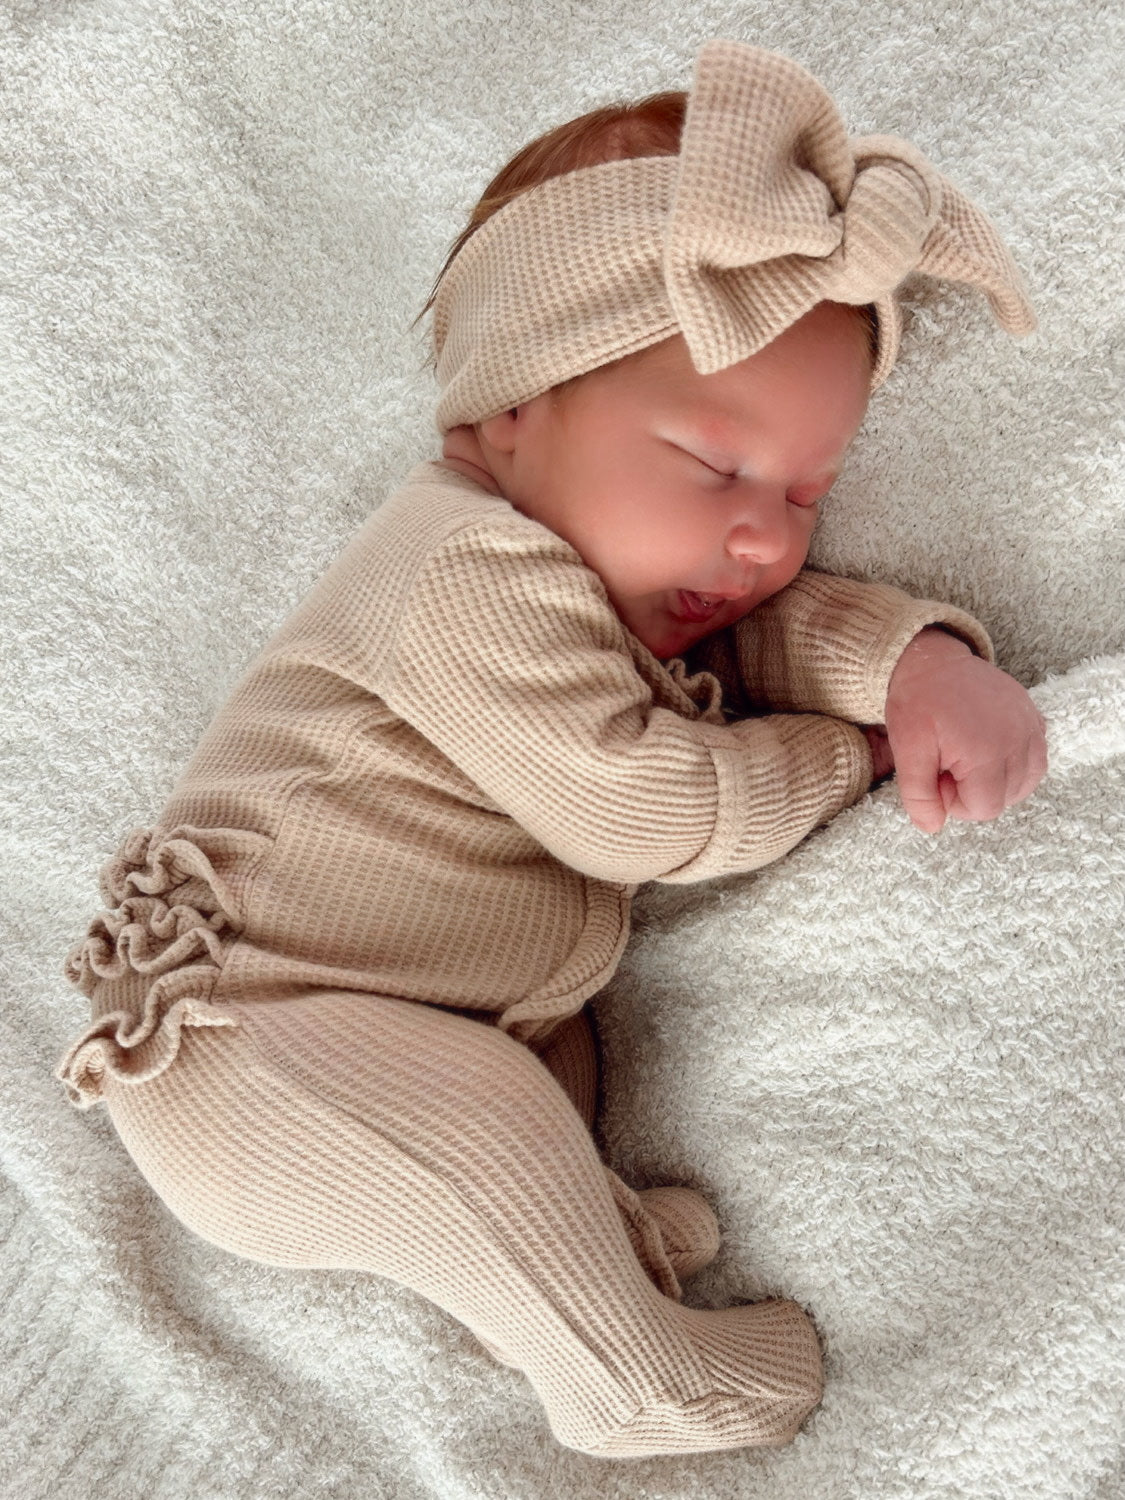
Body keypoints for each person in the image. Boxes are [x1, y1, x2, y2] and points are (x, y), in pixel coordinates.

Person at [54, 40, 1046, 1459]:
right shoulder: (459, 572)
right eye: (716, 466)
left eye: (807, 492)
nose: (763, 533)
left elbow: (763, 639)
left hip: (420, 1026)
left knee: (513, 1113)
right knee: (482, 1137)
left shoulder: (605, 573)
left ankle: (581, 1250)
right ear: (511, 409)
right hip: (258, 1050)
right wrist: (850, 762)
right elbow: (644, 808)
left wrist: (909, 664)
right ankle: (630, 1379)